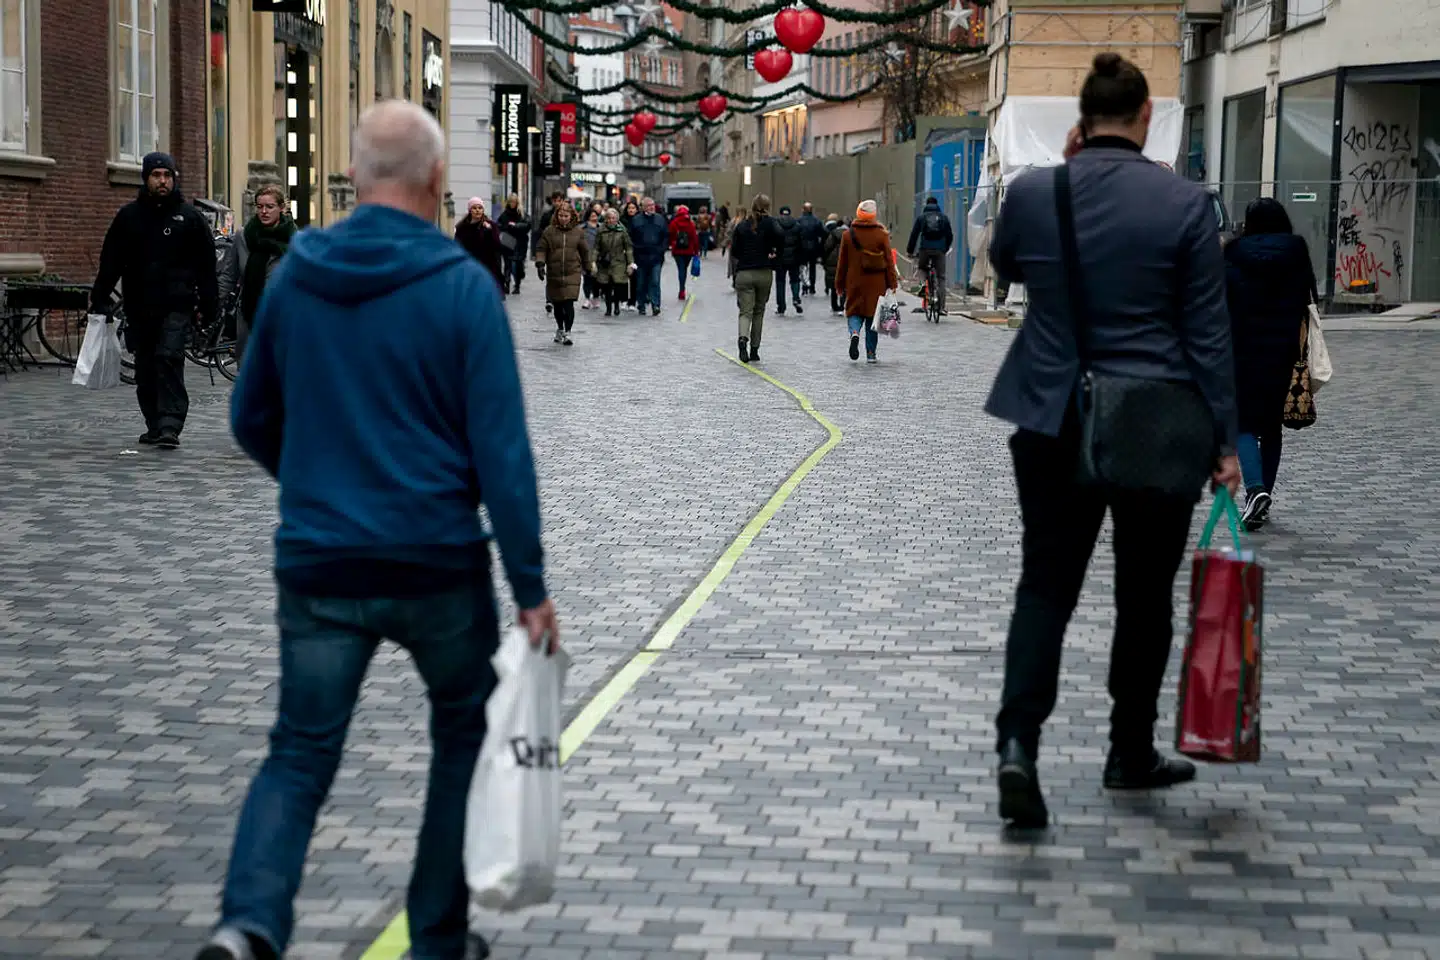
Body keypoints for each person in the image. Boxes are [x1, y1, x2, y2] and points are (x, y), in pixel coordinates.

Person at [205, 100, 557, 960]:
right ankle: (437, 938)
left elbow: (250, 415)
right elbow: (502, 458)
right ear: (439, 182)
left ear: (356, 177)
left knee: (298, 753)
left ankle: (248, 927)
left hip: (321, 565)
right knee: (463, 735)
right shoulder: (463, 289)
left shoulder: (296, 273)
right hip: (437, 565)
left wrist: (321, 486)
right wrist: (532, 591)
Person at [984, 53, 1240, 830]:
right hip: (1157, 422)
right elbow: (1207, 332)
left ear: (1080, 120)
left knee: (1046, 587)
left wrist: (1060, 185)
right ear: (1144, 118)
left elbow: (1004, 264)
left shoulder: (1034, 193)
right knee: (1144, 596)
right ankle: (1129, 751)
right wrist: (1227, 441)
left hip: (1052, 409)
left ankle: (1018, 745)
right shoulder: (1187, 204)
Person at [90, 151, 218, 450]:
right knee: (146, 365)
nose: (163, 181)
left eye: (167, 175)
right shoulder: (129, 217)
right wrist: (100, 297)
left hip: (177, 303)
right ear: (146, 178)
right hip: (139, 304)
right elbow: (111, 261)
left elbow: (206, 266)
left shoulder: (189, 218)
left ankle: (170, 424)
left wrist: (208, 305)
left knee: (169, 358)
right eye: (156, 175)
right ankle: (154, 423)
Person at [1224, 196, 1315, 531]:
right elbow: (1310, 298)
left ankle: (1255, 490)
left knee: (1243, 424)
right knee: (1271, 427)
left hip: (1242, 349)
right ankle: (1260, 499)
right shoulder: (1297, 250)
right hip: (1284, 350)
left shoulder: (1234, 253)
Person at [217, 183, 296, 363]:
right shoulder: (243, 237)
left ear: (282, 208)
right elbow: (229, 275)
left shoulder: (295, 240)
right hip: (250, 314)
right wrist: (214, 304)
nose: (264, 212)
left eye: (270, 207)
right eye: (259, 207)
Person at [835, 200, 899, 363]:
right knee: (872, 317)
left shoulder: (848, 235)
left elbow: (842, 262)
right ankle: (871, 353)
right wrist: (892, 283)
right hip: (876, 283)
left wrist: (839, 284)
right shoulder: (881, 234)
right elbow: (889, 261)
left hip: (854, 281)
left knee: (854, 312)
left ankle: (854, 333)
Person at [727, 193, 781, 364]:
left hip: (744, 273)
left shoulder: (742, 226)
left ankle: (742, 338)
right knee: (759, 312)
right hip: (764, 272)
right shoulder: (771, 224)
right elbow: (782, 238)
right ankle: (755, 349)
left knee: (745, 312)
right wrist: (772, 251)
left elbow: (734, 251)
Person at [535, 204, 592, 345]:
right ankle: (560, 328)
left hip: (573, 271)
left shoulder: (578, 232)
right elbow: (541, 248)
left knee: (568, 303)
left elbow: (585, 251)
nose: (563, 219)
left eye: (566, 216)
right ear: (556, 216)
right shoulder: (549, 231)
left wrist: (588, 267)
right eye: (561, 216)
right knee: (558, 305)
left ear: (572, 216)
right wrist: (540, 264)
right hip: (554, 272)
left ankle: (568, 331)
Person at [906, 196, 955, 314]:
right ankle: (941, 307)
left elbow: (914, 235)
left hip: (925, 249)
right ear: (937, 205)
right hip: (940, 251)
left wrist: (910, 251)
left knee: (922, 268)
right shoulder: (943, 218)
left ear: (926, 205)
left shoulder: (921, 218)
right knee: (941, 277)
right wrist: (945, 248)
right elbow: (950, 235)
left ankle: (923, 285)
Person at [453, 197, 506, 292]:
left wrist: (489, 231)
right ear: (470, 210)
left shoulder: (491, 225)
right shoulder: (462, 227)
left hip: (488, 268)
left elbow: (497, 246)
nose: (477, 210)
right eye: (474, 208)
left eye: (480, 208)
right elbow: (457, 247)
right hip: (469, 268)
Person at [628, 196, 670, 316]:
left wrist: (662, 249)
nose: (652, 207)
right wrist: (636, 249)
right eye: (649, 205)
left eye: (653, 205)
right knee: (641, 282)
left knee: (655, 281)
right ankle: (641, 305)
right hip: (641, 257)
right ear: (643, 207)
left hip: (656, 257)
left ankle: (655, 304)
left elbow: (665, 235)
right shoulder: (636, 220)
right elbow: (631, 237)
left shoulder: (660, 219)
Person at [593, 208, 636, 317]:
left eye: (614, 218)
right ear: (606, 219)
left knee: (617, 286)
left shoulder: (622, 231)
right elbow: (596, 247)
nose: (611, 220)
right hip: (605, 262)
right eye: (609, 218)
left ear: (617, 219)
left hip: (619, 262)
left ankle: (616, 305)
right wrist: (593, 261)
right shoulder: (601, 231)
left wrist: (630, 263)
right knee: (606, 286)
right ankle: (608, 308)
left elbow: (628, 248)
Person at [772, 205, 805, 315]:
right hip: (794, 258)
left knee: (780, 282)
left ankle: (781, 306)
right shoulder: (797, 225)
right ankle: (796, 298)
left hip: (780, 259)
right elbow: (801, 244)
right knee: (795, 280)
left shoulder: (776, 225)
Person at [496, 194, 530, 295]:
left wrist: (516, 226)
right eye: (511, 202)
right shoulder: (504, 214)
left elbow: (528, 225)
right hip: (507, 241)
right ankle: (507, 284)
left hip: (520, 242)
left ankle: (517, 285)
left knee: (517, 265)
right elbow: (499, 225)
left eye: (514, 202)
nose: (512, 204)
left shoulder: (522, 213)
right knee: (507, 264)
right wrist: (503, 229)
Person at [668, 204, 700, 301]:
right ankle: (682, 288)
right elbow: (694, 238)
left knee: (680, 269)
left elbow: (670, 235)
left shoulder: (674, 223)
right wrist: (696, 251)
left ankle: (682, 290)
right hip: (688, 251)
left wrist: (671, 244)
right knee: (684, 269)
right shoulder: (690, 224)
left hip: (677, 251)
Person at [797, 201, 826, 296]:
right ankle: (812, 287)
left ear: (803, 210)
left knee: (803, 268)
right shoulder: (817, 221)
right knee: (813, 268)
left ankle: (805, 287)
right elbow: (822, 233)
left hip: (802, 247)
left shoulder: (799, 221)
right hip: (813, 247)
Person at [821, 214, 846, 315]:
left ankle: (834, 305)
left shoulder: (833, 233)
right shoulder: (849, 234)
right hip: (844, 261)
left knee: (833, 285)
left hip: (832, 261)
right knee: (844, 284)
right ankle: (842, 304)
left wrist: (825, 260)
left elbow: (827, 247)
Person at [580, 207, 602, 310]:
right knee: (587, 279)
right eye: (592, 215)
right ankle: (587, 298)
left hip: (598, 257)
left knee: (597, 280)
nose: (594, 217)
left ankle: (596, 297)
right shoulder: (582, 228)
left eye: (595, 215)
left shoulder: (601, 227)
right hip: (586, 256)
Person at [621, 199, 641, 309]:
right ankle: (623, 299)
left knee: (634, 277)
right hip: (623, 251)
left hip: (636, 252)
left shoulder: (639, 221)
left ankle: (632, 301)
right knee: (623, 277)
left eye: (633, 208)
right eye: (629, 208)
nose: (631, 210)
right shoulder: (622, 221)